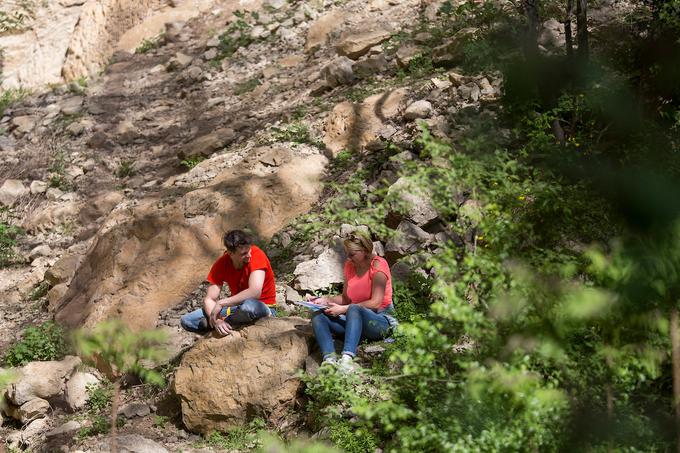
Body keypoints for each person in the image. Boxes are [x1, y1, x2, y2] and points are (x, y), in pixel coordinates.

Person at [310, 233, 397, 370]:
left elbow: (376, 302)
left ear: (365, 250)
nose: (348, 258)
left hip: (379, 321)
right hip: (353, 321)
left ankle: (347, 359)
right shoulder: (349, 266)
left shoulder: (378, 264)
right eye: (346, 254)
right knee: (318, 314)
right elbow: (345, 298)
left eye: (352, 254)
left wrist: (344, 309)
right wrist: (325, 300)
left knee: (354, 309)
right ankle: (329, 359)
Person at [180, 229, 276, 336]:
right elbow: (210, 299)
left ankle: (222, 325)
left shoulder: (257, 254)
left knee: (248, 307)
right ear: (230, 253)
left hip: (262, 306)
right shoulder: (221, 263)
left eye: (249, 250)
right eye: (243, 253)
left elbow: (255, 292)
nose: (249, 255)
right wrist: (217, 320)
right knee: (187, 320)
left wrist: (221, 303)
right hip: (235, 309)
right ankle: (225, 324)